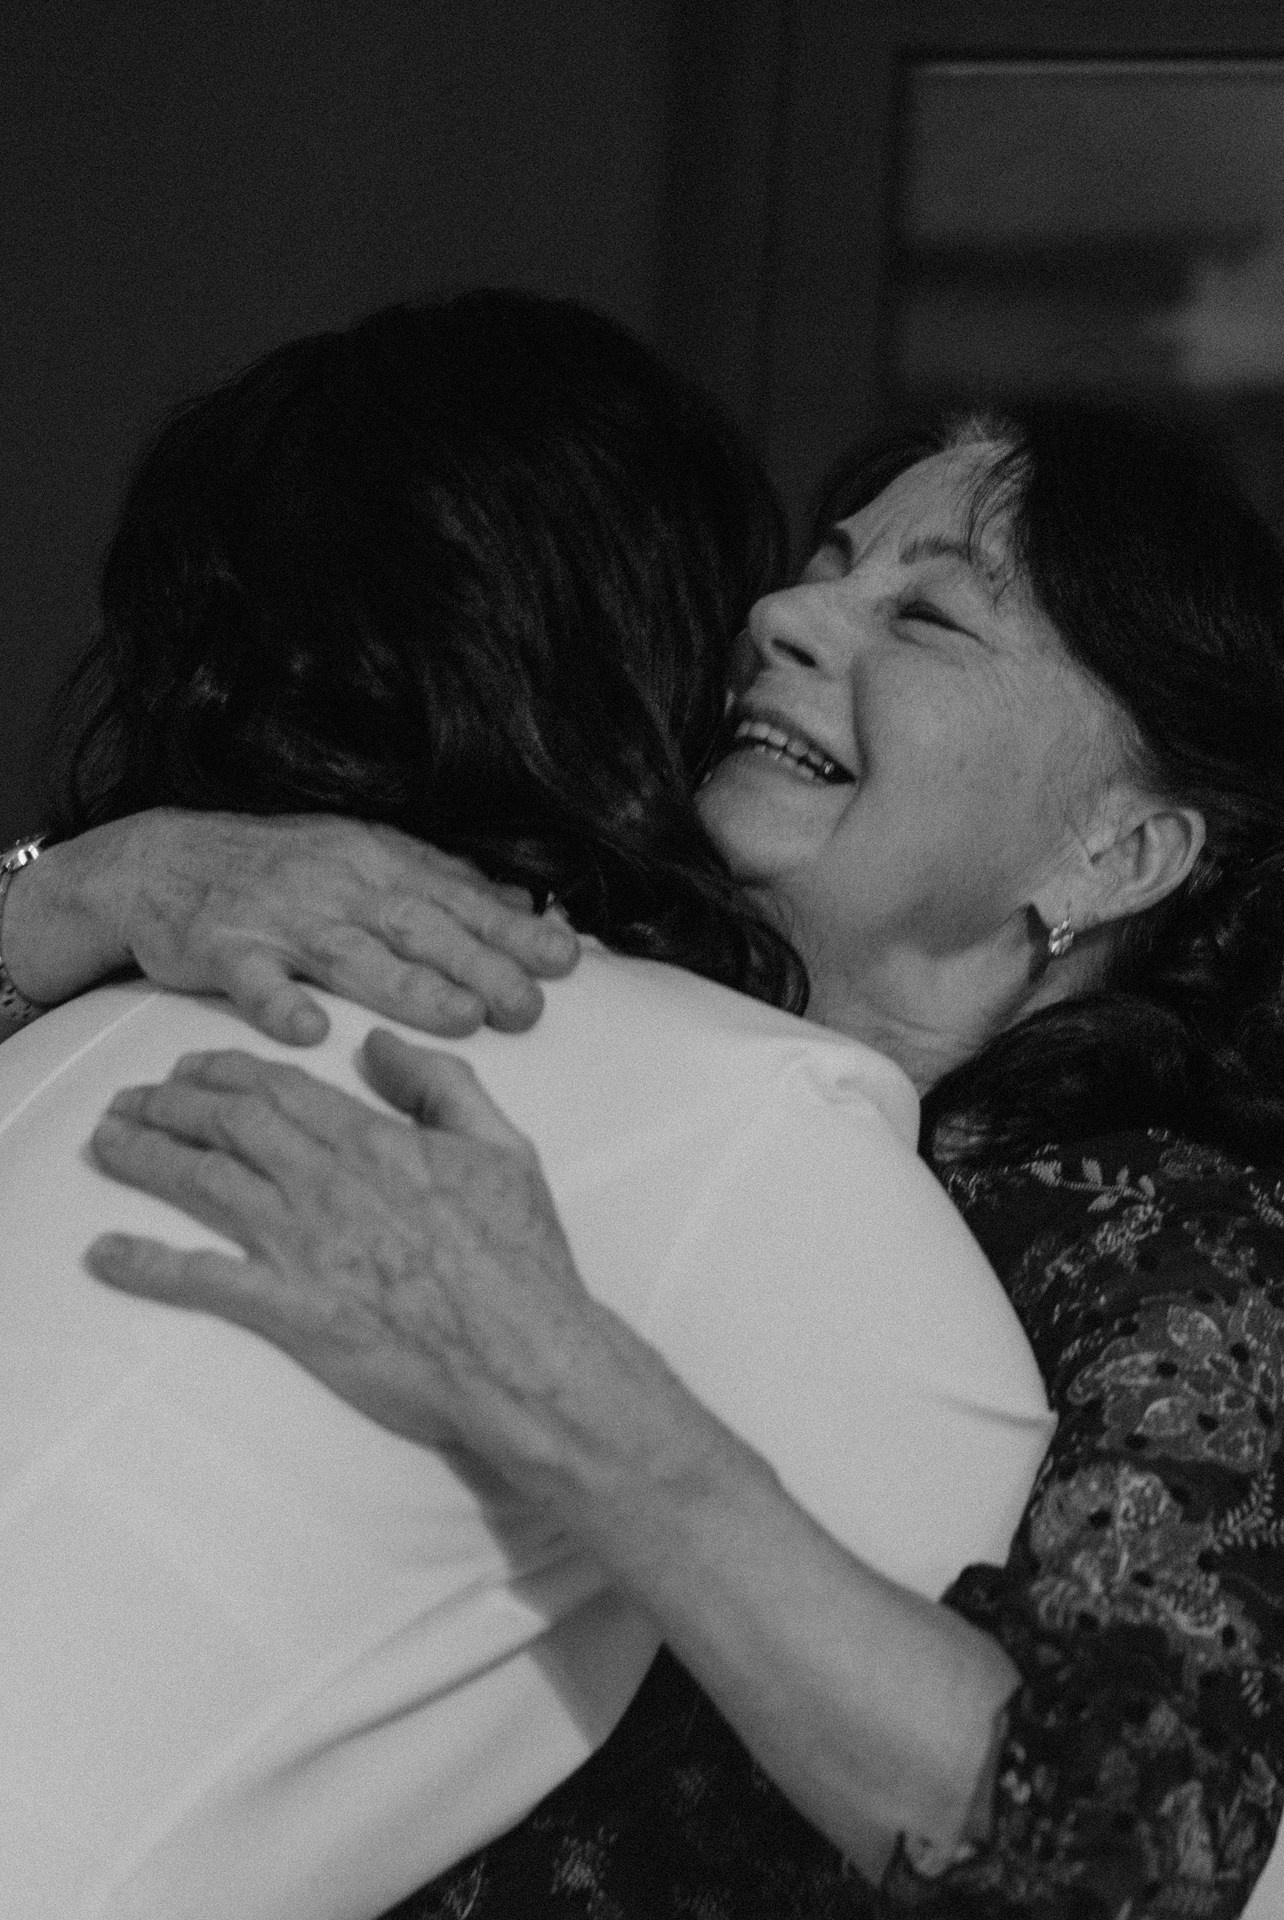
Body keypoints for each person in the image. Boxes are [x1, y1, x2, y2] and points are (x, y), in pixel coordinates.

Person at [17, 395, 1284, 1917]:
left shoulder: (1173, 1245)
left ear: (1120, 852)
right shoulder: (526, 976)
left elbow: (1144, 1858)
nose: (783, 616)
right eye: (820, 565)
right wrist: (73, 891)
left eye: (929, 617)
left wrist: (550, 1379)